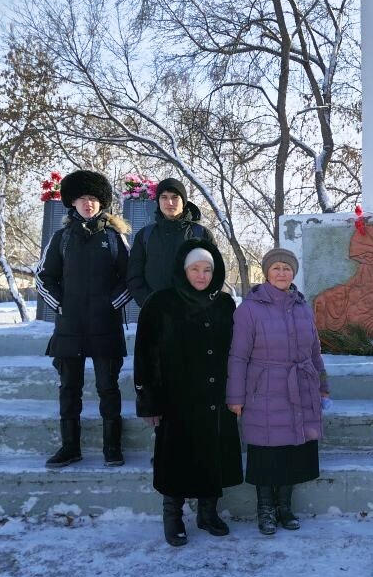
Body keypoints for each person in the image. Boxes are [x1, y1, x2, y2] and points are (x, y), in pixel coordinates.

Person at [134, 239, 244, 546]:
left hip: (214, 397)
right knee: (176, 458)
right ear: (183, 270)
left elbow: (235, 350)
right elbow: (145, 354)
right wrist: (149, 401)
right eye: (195, 268)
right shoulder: (160, 303)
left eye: (207, 269)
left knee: (213, 454)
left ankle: (208, 513)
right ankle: (173, 516)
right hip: (176, 399)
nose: (201, 275)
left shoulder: (223, 303)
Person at [227, 248, 329, 535]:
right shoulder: (249, 308)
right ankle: (266, 510)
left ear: (293, 273)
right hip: (264, 389)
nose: (282, 273)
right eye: (276, 268)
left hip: (300, 386)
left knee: (293, 449)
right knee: (266, 452)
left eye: (287, 268)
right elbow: (238, 356)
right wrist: (235, 396)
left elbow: (314, 351)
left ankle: (285, 507)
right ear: (267, 272)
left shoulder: (302, 307)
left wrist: (322, 386)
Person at [36, 169, 132, 469]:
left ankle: (112, 448)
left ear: (101, 202)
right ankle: (70, 447)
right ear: (72, 203)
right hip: (70, 327)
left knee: (108, 387)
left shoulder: (115, 239)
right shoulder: (62, 238)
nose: (88, 204)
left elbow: (131, 279)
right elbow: (44, 276)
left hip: (106, 326)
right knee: (69, 389)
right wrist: (61, 305)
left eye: (93, 198)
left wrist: (110, 304)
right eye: (82, 198)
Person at [126, 177, 216, 308]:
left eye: (175, 197)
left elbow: (214, 275)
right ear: (158, 201)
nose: (169, 202)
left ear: (183, 201)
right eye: (164, 197)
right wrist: (151, 302)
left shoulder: (201, 235)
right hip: (155, 315)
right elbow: (134, 277)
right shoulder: (145, 235)